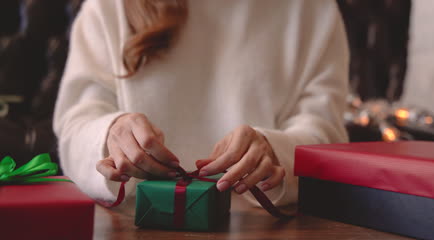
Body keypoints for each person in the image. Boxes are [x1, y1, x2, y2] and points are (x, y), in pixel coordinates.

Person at [53, 0, 349, 207]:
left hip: (265, 238)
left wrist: (275, 151)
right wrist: (110, 133)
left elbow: (326, 137)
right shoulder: (109, 8)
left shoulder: (313, 10)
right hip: (132, 234)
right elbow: (76, 125)